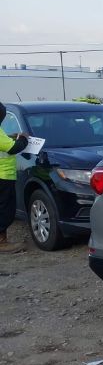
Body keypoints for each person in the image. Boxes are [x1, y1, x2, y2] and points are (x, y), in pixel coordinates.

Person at [0, 102, 29, 253]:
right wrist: (23, 139)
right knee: (5, 209)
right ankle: (1, 242)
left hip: (3, 175)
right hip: (3, 176)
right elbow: (13, 148)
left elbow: (4, 142)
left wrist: (12, 137)